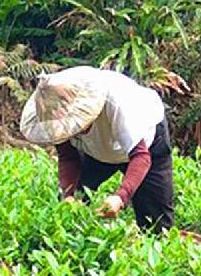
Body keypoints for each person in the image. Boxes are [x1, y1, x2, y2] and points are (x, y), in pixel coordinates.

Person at [20, 66, 174, 231]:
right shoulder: (55, 113)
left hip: (146, 146)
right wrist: (68, 194)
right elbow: (68, 157)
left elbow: (141, 157)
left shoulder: (120, 104)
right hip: (95, 151)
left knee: (155, 222)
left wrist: (120, 197)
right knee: (70, 205)